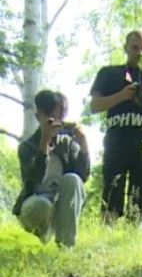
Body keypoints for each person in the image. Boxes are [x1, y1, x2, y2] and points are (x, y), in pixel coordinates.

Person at [89, 30, 142, 224]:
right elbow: (95, 106)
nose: (140, 53)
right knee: (112, 192)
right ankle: (107, 233)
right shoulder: (109, 74)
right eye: (135, 48)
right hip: (116, 143)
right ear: (126, 49)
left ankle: (132, 234)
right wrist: (123, 95)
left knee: (141, 195)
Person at [12, 90, 90, 247]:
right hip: (35, 203)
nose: (56, 123)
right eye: (51, 118)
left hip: (60, 205)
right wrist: (44, 143)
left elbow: (82, 177)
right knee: (41, 205)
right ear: (39, 117)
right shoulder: (26, 147)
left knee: (73, 178)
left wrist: (83, 145)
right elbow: (35, 177)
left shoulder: (67, 144)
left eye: (60, 118)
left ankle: (66, 245)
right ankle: (39, 239)